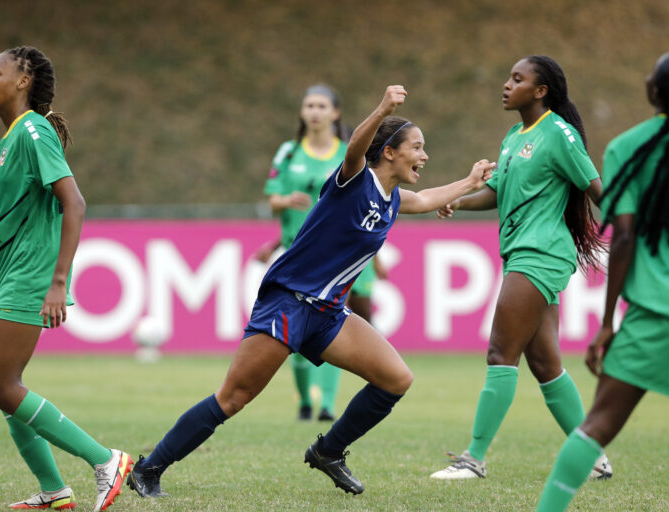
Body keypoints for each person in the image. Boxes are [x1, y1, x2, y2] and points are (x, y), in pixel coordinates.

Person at [127, 85, 496, 498]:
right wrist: (383, 108)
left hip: (328, 314)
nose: (424, 156)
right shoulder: (355, 180)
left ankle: (329, 451)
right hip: (289, 301)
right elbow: (356, 149)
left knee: (395, 379)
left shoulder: (393, 199)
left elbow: (427, 198)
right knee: (234, 397)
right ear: (389, 151)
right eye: (417, 147)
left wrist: (468, 182)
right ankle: (148, 468)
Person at [536, 51, 669, 511]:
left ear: (657, 92)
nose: (647, 77)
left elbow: (623, 236)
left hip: (661, 310)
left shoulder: (629, 146)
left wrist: (607, 322)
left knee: (597, 426)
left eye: (653, 73)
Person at [430, 55, 612, 481]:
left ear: (541, 90)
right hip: (521, 251)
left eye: (518, 78)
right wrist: (456, 199)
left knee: (499, 352)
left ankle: (473, 459)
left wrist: (635, 227)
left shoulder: (560, 134)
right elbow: (496, 190)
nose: (507, 84)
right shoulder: (514, 135)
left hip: (542, 253)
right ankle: (594, 456)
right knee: (545, 363)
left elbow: (596, 187)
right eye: (508, 77)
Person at [0, 46, 133, 512]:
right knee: (6, 388)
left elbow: (75, 203)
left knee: (0, 386)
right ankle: (54, 492)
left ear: (22, 80)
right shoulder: (11, 140)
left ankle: (106, 460)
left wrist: (59, 281)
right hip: (10, 273)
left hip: (30, 274)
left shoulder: (33, 130)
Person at [257, 84, 383, 422]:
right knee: (291, 332)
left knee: (337, 326)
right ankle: (304, 401)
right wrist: (285, 202)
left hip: (340, 260)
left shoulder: (351, 153)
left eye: (321, 106)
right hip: (298, 257)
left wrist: (378, 258)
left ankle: (327, 404)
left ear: (335, 113)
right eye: (309, 105)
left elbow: (371, 206)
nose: (314, 111)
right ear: (302, 112)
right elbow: (272, 200)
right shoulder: (288, 153)